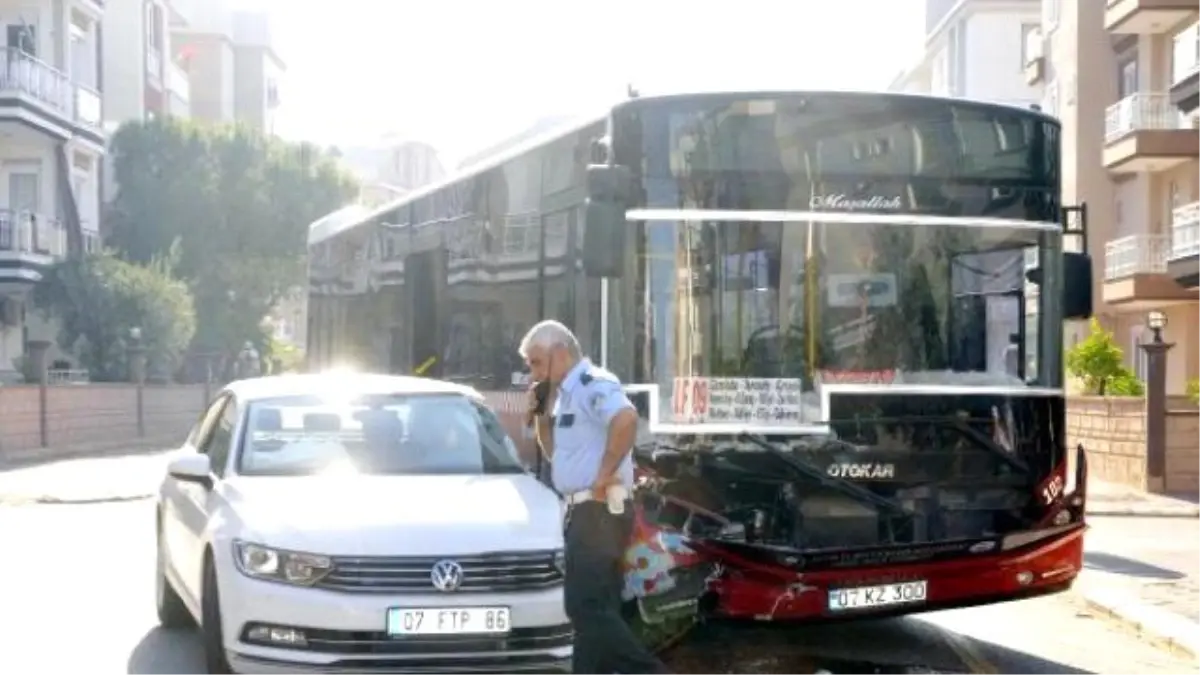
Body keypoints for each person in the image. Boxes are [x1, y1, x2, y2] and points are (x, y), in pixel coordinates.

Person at [519, 320, 671, 675]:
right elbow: (559, 455)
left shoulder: (592, 383)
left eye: (537, 362)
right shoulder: (566, 395)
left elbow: (626, 419)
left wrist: (604, 474)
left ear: (560, 353)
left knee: (584, 607)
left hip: (599, 510)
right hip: (584, 510)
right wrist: (541, 413)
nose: (533, 371)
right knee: (596, 613)